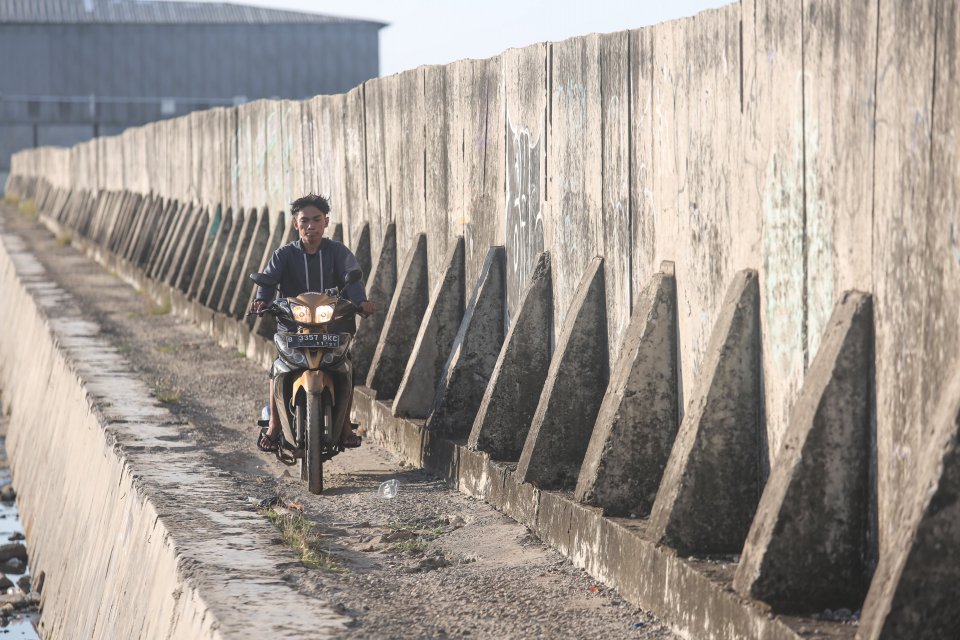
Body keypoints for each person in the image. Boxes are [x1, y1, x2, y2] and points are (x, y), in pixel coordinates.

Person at [250, 194, 376, 452]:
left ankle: (343, 426)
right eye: (305, 220)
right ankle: (274, 425)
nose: (311, 226)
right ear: (295, 224)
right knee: (278, 368)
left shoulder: (338, 252)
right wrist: (262, 301)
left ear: (326, 221)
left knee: (346, 368)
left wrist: (361, 302)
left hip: (332, 326)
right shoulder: (283, 255)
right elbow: (268, 282)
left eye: (317, 219)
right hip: (292, 326)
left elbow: (353, 281)